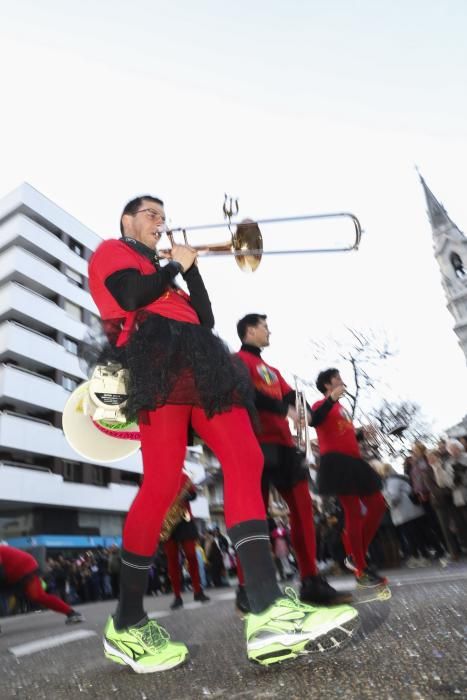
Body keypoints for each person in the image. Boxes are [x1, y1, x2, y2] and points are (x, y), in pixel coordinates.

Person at [87, 195, 359, 672]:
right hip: (154, 359)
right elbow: (131, 297)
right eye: (151, 215)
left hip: (202, 359)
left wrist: (188, 268)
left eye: (163, 217)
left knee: (246, 460)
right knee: (163, 483)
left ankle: (267, 609)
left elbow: (207, 320)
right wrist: (174, 268)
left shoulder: (165, 268)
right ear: (128, 220)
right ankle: (127, 623)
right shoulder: (113, 250)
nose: (160, 223)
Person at [235, 314, 351, 611]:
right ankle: (248, 587)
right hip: (254, 444)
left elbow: (290, 396)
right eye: (264, 326)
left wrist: (309, 405)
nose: (269, 330)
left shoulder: (271, 369)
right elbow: (248, 394)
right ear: (250, 330)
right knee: (255, 518)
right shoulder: (238, 362)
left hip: (285, 445)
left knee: (302, 510)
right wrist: (284, 408)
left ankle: (311, 582)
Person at [311, 368, 388, 589]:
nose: (342, 381)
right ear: (327, 385)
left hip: (354, 461)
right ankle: (361, 568)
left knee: (378, 505)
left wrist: (364, 433)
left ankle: (356, 555)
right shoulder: (320, 405)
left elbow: (346, 434)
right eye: (337, 378)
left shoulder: (342, 409)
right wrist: (330, 400)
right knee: (353, 513)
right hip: (336, 462)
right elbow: (314, 421)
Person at [0, 545, 84, 625]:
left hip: (24, 567)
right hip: (17, 570)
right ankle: (71, 612)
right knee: (37, 596)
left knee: (37, 596)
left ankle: (71, 613)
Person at [163, 471, 210, 609]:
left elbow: (193, 494)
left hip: (185, 519)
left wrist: (188, 495)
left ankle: (198, 591)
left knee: (191, 555)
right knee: (172, 560)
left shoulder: (183, 476)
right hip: (167, 521)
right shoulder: (157, 476)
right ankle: (177, 596)